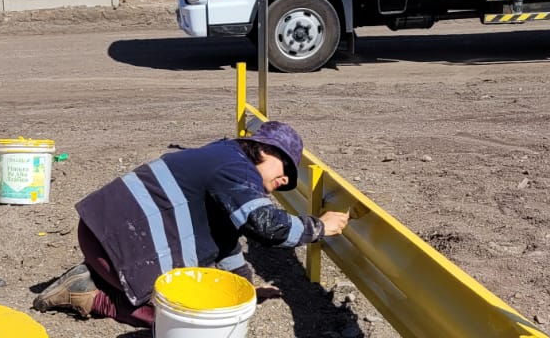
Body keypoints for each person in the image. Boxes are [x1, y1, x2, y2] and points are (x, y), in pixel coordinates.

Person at [32, 121, 349, 324]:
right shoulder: (237, 170)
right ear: (263, 148)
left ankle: (97, 274)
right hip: (110, 240)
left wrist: (244, 287)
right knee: (181, 322)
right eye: (284, 170)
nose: (283, 180)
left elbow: (224, 237)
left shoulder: (224, 156)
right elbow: (267, 226)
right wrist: (320, 227)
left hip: (101, 231)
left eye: (289, 179)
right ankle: (90, 295)